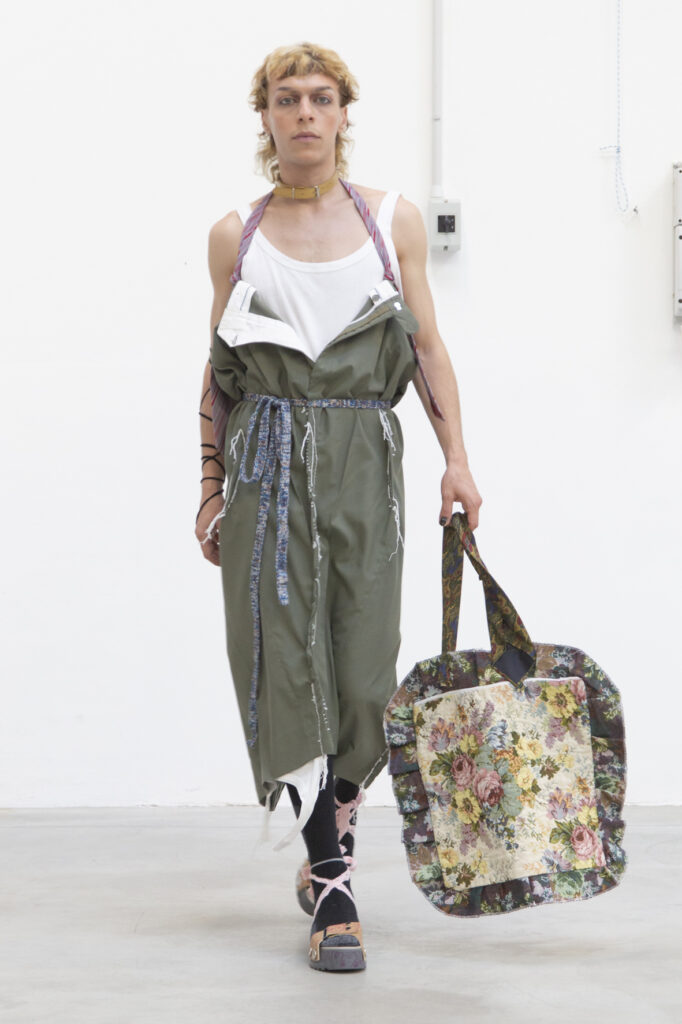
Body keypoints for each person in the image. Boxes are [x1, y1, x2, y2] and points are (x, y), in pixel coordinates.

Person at [195, 41, 482, 972]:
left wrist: (457, 462)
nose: (305, 113)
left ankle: (335, 840)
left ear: (344, 114)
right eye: (287, 99)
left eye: (322, 98)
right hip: (266, 466)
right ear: (266, 117)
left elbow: (427, 348)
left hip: (365, 458)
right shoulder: (235, 235)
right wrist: (208, 488)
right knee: (287, 667)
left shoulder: (390, 221)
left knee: (363, 672)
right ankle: (333, 881)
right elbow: (220, 374)